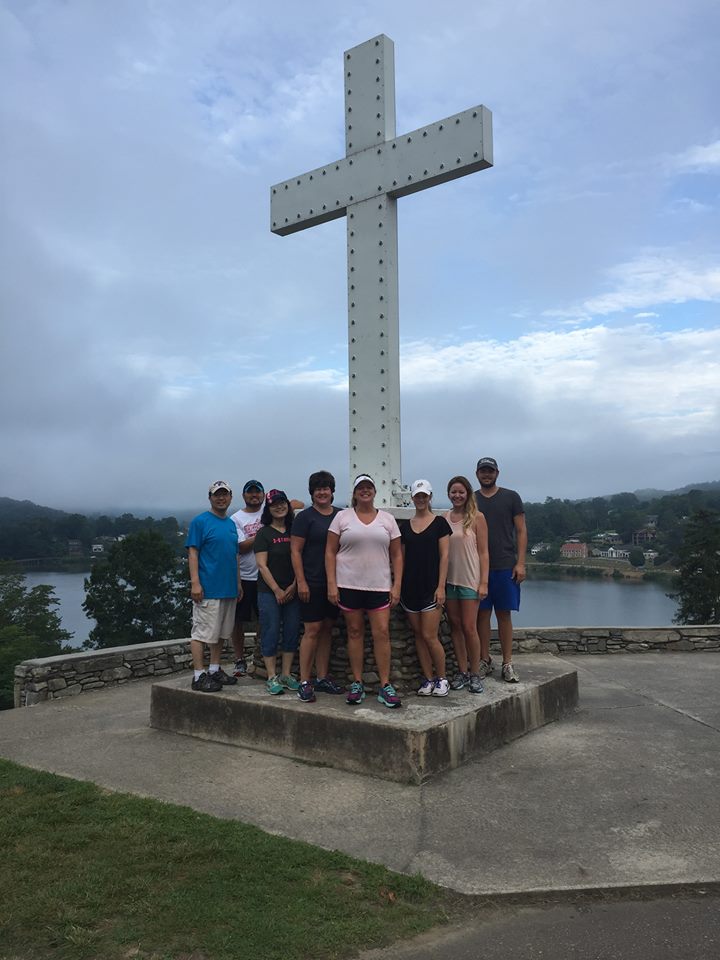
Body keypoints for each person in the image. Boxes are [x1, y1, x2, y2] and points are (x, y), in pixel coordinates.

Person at [326, 474, 403, 709]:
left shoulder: (388, 519)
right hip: (348, 583)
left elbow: (397, 555)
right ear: (355, 492)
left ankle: (385, 684)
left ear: (374, 491)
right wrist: (331, 584)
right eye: (361, 487)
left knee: (382, 633)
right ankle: (357, 683)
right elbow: (330, 551)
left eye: (369, 487)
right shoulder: (342, 517)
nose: (365, 491)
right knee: (354, 632)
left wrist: (397, 585)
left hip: (379, 585)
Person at [290, 470, 346, 703]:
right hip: (312, 581)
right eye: (318, 489)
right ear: (312, 492)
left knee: (327, 629)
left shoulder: (341, 515)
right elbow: (295, 551)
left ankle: (322, 677)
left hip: (336, 582)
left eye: (326, 488)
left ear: (332, 491)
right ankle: (305, 680)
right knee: (312, 630)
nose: (322, 492)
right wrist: (301, 581)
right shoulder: (305, 518)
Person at [474, 456, 527, 683]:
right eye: (483, 471)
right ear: (477, 474)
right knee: (482, 615)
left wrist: (521, 563)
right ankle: (484, 659)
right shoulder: (471, 499)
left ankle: (507, 663)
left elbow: (521, 531)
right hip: (478, 568)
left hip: (505, 565)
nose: (487, 474)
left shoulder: (511, 497)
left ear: (497, 473)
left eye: (490, 471)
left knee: (504, 615)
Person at [185, 481, 241, 692]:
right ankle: (198, 675)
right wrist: (195, 583)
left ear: (230, 497)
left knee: (220, 634)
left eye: (224, 494)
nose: (221, 498)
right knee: (201, 634)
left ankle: (214, 669)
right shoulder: (200, 522)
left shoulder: (230, 524)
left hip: (228, 588)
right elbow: (193, 553)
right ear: (210, 498)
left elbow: (234, 555)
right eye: (217, 495)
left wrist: (238, 583)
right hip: (208, 589)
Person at [400, 479, 452, 697]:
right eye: (417, 496)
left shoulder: (440, 524)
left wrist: (441, 587)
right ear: (412, 498)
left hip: (431, 588)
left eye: (424, 495)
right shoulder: (405, 527)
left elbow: (445, 556)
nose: (420, 499)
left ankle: (442, 678)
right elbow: (401, 560)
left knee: (430, 636)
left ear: (430, 497)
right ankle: (428, 678)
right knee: (419, 636)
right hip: (410, 589)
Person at [444, 476, 489, 694]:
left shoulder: (477, 517)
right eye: (453, 492)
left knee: (470, 628)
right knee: (455, 627)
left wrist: (484, 582)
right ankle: (462, 671)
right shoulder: (444, 518)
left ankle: (475, 673)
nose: (457, 495)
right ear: (448, 494)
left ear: (468, 493)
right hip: (450, 581)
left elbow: (484, 552)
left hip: (470, 580)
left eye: (461, 492)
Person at [254, 489, 301, 695]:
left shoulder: (294, 530)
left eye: (282, 503)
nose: (279, 507)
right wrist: (277, 590)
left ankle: (286, 674)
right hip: (269, 591)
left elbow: (301, 558)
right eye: (274, 504)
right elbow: (262, 565)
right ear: (268, 509)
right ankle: (272, 676)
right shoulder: (264, 533)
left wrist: (294, 585)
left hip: (293, 589)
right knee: (271, 630)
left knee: (291, 631)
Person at [230, 480, 265, 677]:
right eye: (250, 492)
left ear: (263, 495)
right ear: (244, 496)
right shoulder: (236, 518)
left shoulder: (269, 512)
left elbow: (296, 504)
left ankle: (259, 656)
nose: (254, 495)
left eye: (257, 492)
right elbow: (241, 546)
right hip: (244, 576)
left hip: (265, 575)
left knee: (264, 618)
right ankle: (239, 659)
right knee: (238, 621)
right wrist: (264, 533)